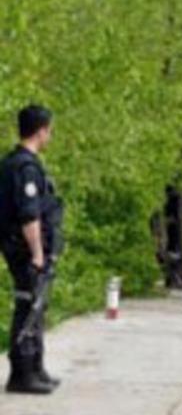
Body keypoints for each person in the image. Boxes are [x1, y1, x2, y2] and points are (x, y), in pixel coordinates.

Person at [0, 105, 63, 395]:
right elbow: (29, 215)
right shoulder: (24, 167)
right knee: (29, 306)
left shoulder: (17, 162)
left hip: (25, 247)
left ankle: (36, 367)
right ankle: (22, 373)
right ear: (41, 130)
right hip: (25, 249)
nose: (50, 135)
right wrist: (37, 252)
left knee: (38, 305)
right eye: (49, 130)